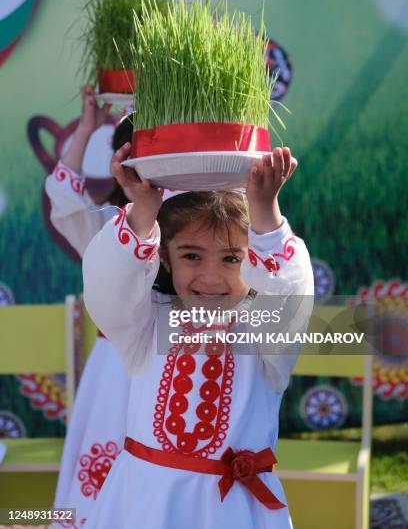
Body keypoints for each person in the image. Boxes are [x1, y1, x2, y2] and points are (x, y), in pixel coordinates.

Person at [83, 143, 314, 528]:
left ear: (254, 257)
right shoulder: (148, 321)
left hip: (232, 512)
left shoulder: (263, 330)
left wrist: (267, 217)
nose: (210, 278)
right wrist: (142, 210)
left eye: (231, 258)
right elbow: (108, 288)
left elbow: (289, 300)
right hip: (144, 505)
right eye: (191, 256)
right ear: (164, 257)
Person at [45, 86, 133, 527]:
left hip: (176, 371)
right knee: (99, 489)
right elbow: (64, 196)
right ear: (119, 168)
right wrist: (85, 129)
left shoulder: (194, 233)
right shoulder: (105, 229)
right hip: (113, 377)